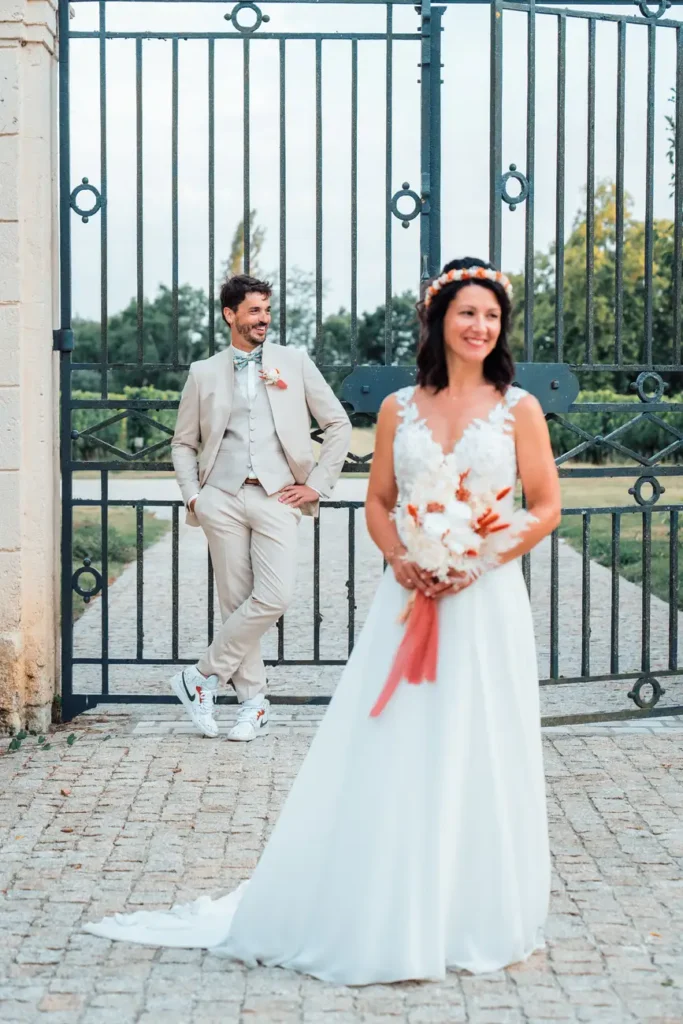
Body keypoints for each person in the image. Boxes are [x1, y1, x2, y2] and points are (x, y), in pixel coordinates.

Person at [85, 256, 561, 985]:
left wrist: (475, 558)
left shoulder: (518, 408)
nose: (480, 326)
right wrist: (402, 556)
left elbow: (543, 506)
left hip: (485, 597)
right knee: (399, 739)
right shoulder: (401, 408)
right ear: (439, 322)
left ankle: (469, 904)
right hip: (406, 597)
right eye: (467, 312)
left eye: (491, 316)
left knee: (479, 738)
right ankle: (386, 897)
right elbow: (377, 503)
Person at [169, 273, 351, 741]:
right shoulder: (203, 372)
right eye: (254, 311)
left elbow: (338, 424)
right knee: (234, 602)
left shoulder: (294, 361)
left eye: (267, 311)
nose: (263, 320)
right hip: (221, 497)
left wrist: (317, 484)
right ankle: (253, 704)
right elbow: (184, 443)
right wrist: (194, 497)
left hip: (277, 495)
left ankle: (200, 677)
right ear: (230, 315)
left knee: (274, 595)